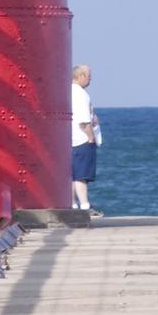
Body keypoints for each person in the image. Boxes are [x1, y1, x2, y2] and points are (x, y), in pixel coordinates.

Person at [69, 63, 102, 216]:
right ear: (80, 76)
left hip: (71, 139)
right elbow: (83, 121)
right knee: (81, 175)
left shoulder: (68, 91)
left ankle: (73, 204)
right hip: (82, 139)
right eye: (88, 75)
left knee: (72, 174)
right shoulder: (81, 95)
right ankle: (84, 206)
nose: (90, 79)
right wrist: (91, 137)